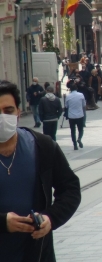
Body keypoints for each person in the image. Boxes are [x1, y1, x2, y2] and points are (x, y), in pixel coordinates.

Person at [0, 81, 81, 261]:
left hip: (36, 254)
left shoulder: (42, 146)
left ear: (18, 113)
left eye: (8, 111)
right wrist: (3, 222)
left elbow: (70, 188)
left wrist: (50, 218)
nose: (2, 117)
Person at [65, 80, 86, 150]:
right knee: (80, 129)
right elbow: (84, 105)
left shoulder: (68, 96)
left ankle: (75, 145)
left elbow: (66, 106)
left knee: (72, 130)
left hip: (71, 116)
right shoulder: (81, 95)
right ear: (76, 88)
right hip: (80, 115)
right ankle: (79, 138)